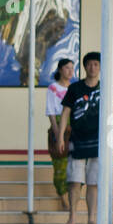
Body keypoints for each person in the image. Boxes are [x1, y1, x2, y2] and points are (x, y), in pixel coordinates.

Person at [58, 51, 113, 224]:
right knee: (75, 180)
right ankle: (72, 217)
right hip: (77, 140)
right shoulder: (75, 88)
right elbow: (65, 114)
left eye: (96, 64)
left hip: (99, 142)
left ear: (100, 67)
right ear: (85, 66)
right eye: (90, 64)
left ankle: (92, 217)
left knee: (94, 182)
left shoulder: (106, 88)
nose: (93, 67)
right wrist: (61, 137)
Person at [46, 58, 74, 210]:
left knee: (76, 167)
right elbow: (51, 111)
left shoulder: (75, 87)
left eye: (72, 68)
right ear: (60, 70)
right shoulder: (53, 88)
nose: (70, 71)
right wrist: (58, 134)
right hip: (58, 126)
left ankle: (72, 197)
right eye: (67, 68)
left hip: (74, 129)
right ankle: (63, 197)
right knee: (60, 166)